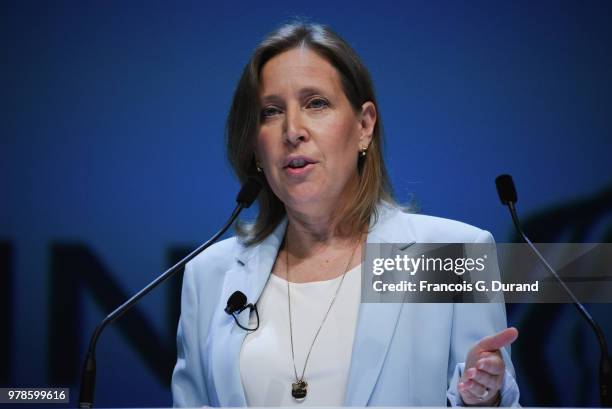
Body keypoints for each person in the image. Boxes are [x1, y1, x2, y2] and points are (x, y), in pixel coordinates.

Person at [171, 21, 520, 407]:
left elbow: (492, 394)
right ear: (255, 146)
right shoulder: (209, 275)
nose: (292, 130)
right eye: (270, 111)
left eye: (315, 103)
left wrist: (484, 397)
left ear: (364, 126)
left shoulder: (448, 255)